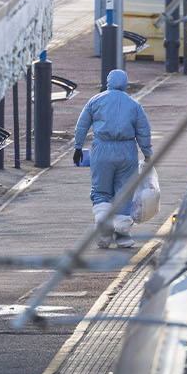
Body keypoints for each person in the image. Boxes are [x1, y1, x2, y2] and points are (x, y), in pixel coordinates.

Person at [73, 69, 153, 249]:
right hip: (127, 150)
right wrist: (147, 154)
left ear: (108, 82)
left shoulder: (95, 101)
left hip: (102, 148)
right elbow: (143, 131)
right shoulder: (133, 105)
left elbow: (82, 124)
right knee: (124, 191)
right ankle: (123, 234)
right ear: (125, 84)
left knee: (101, 190)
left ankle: (103, 223)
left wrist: (78, 147)